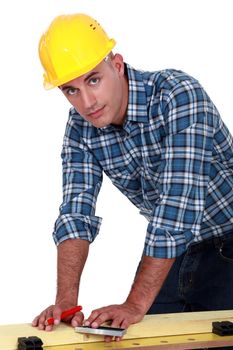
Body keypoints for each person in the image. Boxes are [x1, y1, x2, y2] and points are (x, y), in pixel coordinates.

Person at [32, 13, 233, 345]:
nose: (87, 103)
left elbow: (175, 211)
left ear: (118, 65)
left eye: (93, 80)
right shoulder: (81, 128)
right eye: (71, 90)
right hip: (179, 251)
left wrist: (136, 303)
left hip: (227, 242)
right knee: (145, 341)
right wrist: (67, 302)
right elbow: (75, 214)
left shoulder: (177, 95)